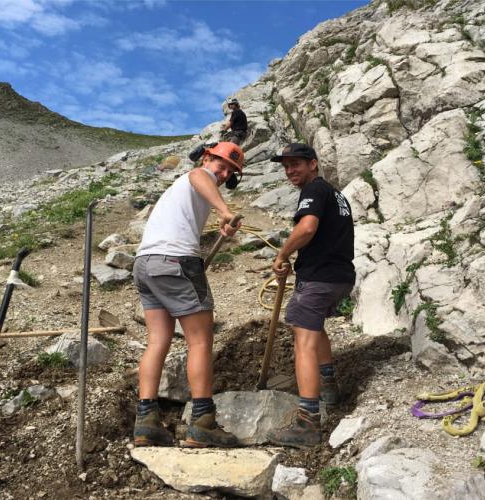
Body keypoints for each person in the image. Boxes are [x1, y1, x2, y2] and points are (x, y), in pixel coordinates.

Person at [132, 142, 244, 448]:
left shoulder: (185, 192)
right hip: (175, 261)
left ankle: (146, 421)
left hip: (146, 264)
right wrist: (224, 210)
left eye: (230, 172)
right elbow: (200, 176)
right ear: (207, 157)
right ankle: (203, 422)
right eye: (220, 166)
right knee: (200, 341)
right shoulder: (197, 176)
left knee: (157, 341)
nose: (223, 175)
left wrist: (221, 225)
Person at [265, 143, 355, 448]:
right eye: (286, 166)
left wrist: (282, 254)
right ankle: (328, 385)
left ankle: (308, 422)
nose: (290, 171)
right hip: (339, 277)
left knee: (302, 338)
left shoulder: (314, 190)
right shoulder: (336, 194)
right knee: (314, 330)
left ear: (313, 164)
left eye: (296, 164)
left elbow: (307, 228)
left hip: (320, 277)